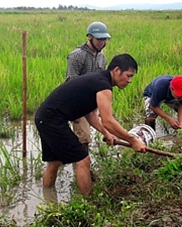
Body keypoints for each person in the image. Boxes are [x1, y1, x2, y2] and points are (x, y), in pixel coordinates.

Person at [35, 53, 146, 197]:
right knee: (83, 159)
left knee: (55, 162)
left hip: (45, 117)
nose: (130, 80)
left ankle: (48, 199)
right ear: (117, 70)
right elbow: (108, 121)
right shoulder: (103, 85)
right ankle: (89, 204)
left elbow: (91, 115)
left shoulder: (98, 80)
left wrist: (106, 133)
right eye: (129, 75)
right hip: (53, 119)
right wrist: (132, 140)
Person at [65, 21, 111, 153]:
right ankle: (82, 168)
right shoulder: (77, 55)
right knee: (83, 138)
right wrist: (73, 108)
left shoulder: (102, 57)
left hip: (92, 102)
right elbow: (70, 81)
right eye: (99, 39)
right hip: (77, 102)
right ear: (90, 37)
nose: (102, 42)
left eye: (104, 39)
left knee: (91, 134)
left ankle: (84, 165)